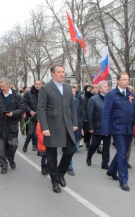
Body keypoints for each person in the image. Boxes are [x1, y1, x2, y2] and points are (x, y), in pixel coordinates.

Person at [37, 64, 78, 194]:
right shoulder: (45, 88)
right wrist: (44, 127)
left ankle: (60, 172)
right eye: (59, 72)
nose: (62, 74)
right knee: (52, 155)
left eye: (63, 72)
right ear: (52, 74)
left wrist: (75, 122)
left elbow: (72, 107)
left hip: (67, 125)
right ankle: (55, 181)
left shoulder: (67, 87)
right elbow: (41, 109)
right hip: (52, 126)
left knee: (71, 150)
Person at [101, 72, 135, 191]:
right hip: (117, 128)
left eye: (127, 79)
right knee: (123, 153)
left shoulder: (131, 96)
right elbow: (106, 113)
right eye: (124, 79)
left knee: (121, 152)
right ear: (118, 81)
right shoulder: (111, 95)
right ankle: (123, 180)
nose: (126, 81)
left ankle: (111, 170)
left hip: (128, 129)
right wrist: (105, 129)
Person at [0, 78, 24, 174]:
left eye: (3, 86)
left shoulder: (17, 96)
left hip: (12, 125)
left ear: (8, 84)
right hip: (0, 125)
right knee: (1, 149)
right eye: (1, 86)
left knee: (13, 145)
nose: (2, 88)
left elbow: (21, 109)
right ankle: (3, 165)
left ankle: (10, 157)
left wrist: (13, 113)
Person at [86, 80, 111, 169]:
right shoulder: (93, 99)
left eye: (107, 86)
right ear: (100, 89)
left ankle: (105, 163)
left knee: (107, 146)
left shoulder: (110, 98)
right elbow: (89, 114)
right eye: (105, 87)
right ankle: (89, 156)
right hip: (97, 126)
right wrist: (91, 127)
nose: (107, 88)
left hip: (108, 127)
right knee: (95, 144)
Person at [67, 85, 83, 176]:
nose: (73, 93)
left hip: (77, 127)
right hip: (68, 128)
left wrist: (80, 125)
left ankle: (66, 160)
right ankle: (69, 167)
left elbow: (80, 113)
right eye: (71, 92)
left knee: (76, 147)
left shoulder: (77, 101)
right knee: (70, 148)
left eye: (74, 92)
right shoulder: (64, 102)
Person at [22, 80, 42, 153]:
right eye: (36, 84)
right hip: (31, 116)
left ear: (41, 85)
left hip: (41, 116)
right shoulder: (28, 93)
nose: (37, 85)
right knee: (30, 132)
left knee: (40, 133)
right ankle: (25, 145)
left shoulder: (43, 93)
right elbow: (24, 104)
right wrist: (30, 111)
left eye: (39, 84)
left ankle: (37, 146)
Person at [82, 84, 94, 150]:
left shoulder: (92, 96)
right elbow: (84, 108)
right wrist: (85, 117)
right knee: (87, 131)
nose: (89, 89)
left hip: (92, 116)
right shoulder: (85, 97)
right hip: (87, 116)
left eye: (90, 88)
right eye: (88, 88)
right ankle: (87, 143)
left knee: (92, 130)